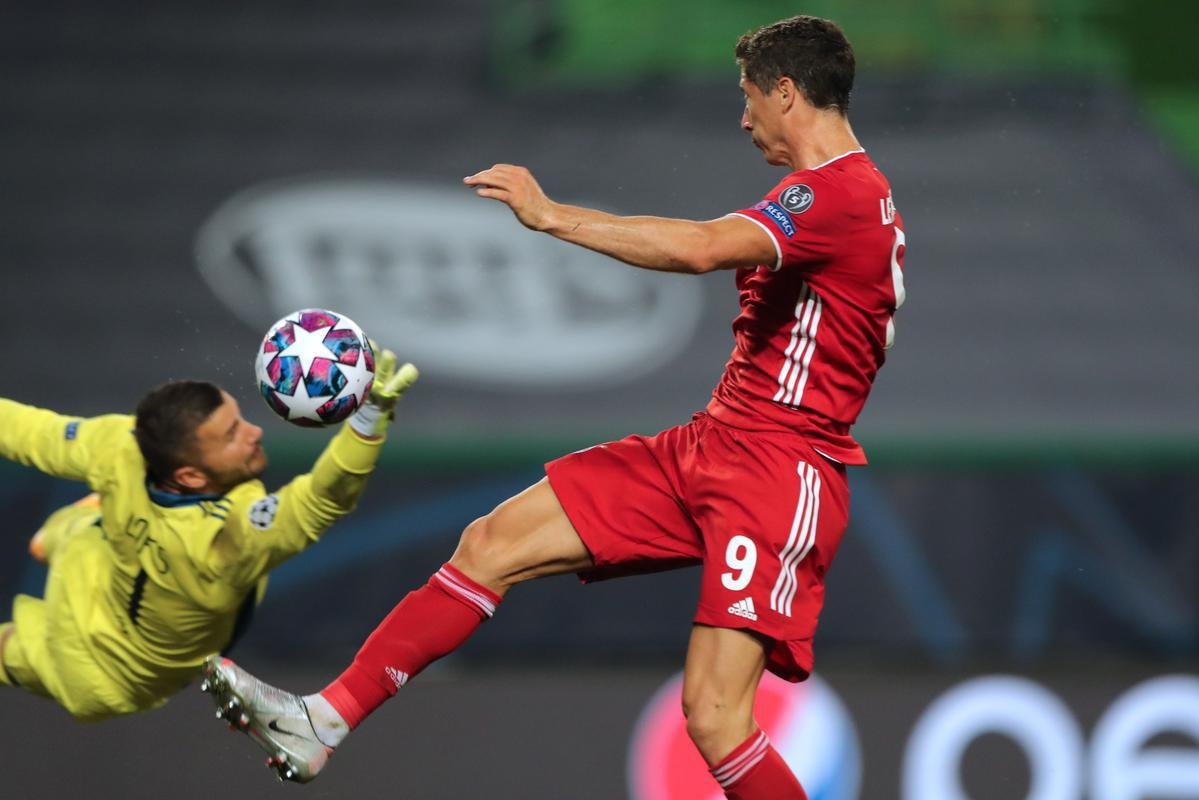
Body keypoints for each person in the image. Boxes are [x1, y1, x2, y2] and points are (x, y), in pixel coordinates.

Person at [203, 15, 905, 799]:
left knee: (713, 718)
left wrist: (551, 215)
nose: (742, 119)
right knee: (492, 541)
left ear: (784, 91)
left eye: (748, 99)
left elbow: (701, 248)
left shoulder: (841, 193)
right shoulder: (821, 195)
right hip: (712, 445)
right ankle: (323, 719)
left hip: (779, 471)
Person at [0, 346, 418, 722]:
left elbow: (33, 434)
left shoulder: (129, 455)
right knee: (93, 525)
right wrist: (366, 422)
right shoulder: (222, 540)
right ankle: (64, 535)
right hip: (96, 653)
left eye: (238, 420)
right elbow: (321, 500)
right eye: (232, 433)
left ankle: (63, 535)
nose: (254, 432)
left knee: (13, 644)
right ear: (190, 475)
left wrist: (366, 420)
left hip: (107, 669)